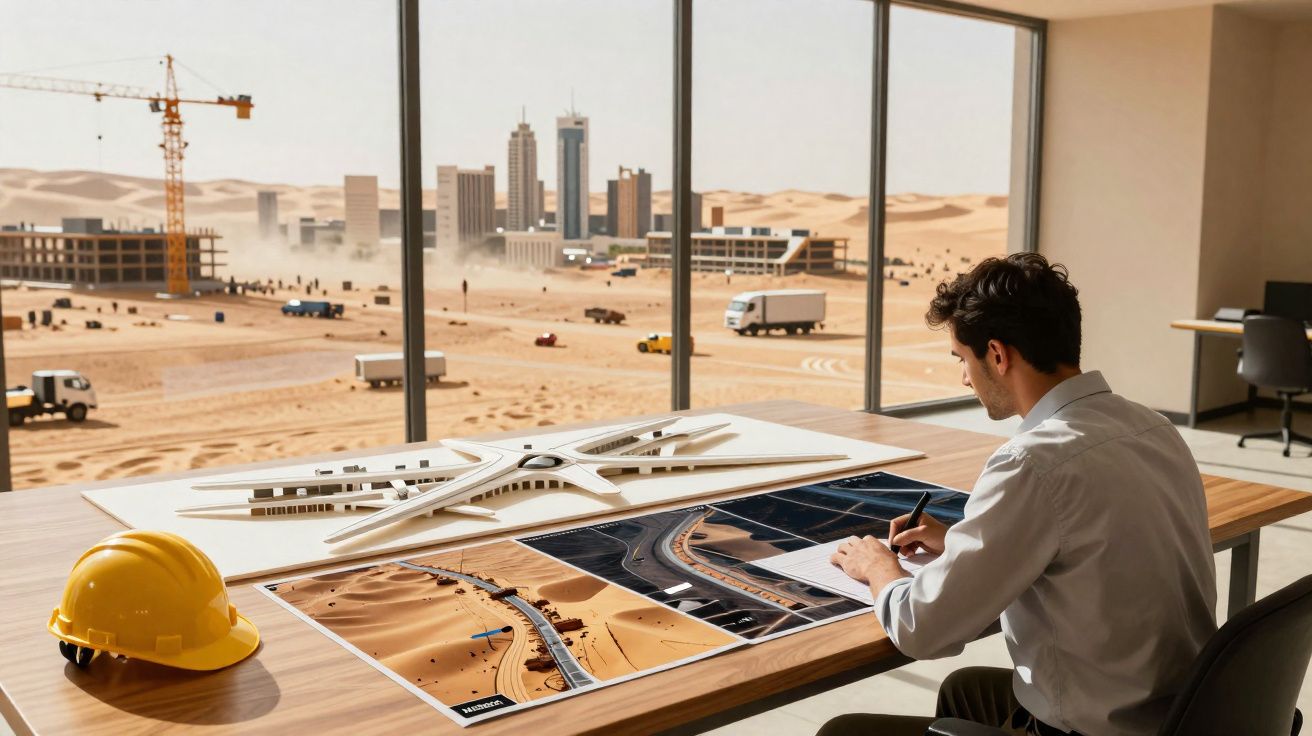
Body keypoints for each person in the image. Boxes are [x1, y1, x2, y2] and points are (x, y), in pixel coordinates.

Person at [822, 254, 1216, 736]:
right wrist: (962, 545)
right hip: (1183, 711)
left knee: (845, 731)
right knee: (964, 691)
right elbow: (1098, 543)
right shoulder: (1154, 427)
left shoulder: (1031, 462)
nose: (964, 379)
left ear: (997, 354)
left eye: (962, 360)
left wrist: (879, 567)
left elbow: (922, 629)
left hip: (1096, 730)